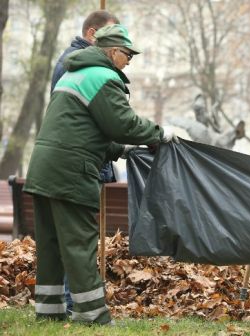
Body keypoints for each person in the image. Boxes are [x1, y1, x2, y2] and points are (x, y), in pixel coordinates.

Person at [24, 24, 178, 325]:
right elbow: (124, 124)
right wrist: (161, 133)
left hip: (44, 169)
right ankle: (92, 315)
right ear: (111, 51)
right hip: (71, 172)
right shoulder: (104, 78)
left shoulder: (73, 74)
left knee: (51, 243)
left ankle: (49, 311)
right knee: (79, 243)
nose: (130, 60)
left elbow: (81, 129)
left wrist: (119, 150)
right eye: (127, 54)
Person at [49, 9, 119, 315]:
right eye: (111, 37)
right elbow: (99, 119)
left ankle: (68, 302)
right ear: (92, 35)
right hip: (77, 164)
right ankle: (74, 302)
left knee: (76, 238)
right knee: (78, 240)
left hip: (79, 161)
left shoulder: (81, 62)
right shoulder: (78, 65)